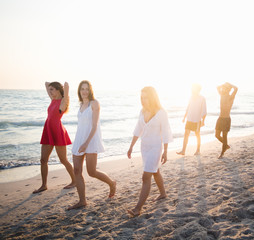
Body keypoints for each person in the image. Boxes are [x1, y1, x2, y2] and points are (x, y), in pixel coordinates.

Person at [67, 80, 116, 210]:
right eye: (82, 89)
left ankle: (111, 183)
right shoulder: (81, 104)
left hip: (91, 140)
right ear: (79, 91)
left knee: (91, 171)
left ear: (90, 90)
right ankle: (82, 201)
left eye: (87, 89)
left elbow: (94, 126)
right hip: (79, 139)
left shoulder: (94, 104)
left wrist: (86, 143)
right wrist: (80, 142)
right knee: (76, 170)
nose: (84, 91)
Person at [127, 86, 173, 217]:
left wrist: (165, 151)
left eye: (146, 97)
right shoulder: (142, 111)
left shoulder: (161, 112)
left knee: (146, 176)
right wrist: (131, 147)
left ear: (152, 97)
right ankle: (163, 194)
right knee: (155, 171)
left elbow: (165, 132)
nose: (144, 100)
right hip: (145, 147)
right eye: (142, 97)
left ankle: (137, 208)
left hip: (155, 147)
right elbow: (138, 130)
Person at [33, 82, 76, 194]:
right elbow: (46, 84)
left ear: (58, 90)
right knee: (43, 160)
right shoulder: (53, 99)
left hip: (57, 131)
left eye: (53, 90)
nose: (50, 91)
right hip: (48, 130)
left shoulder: (62, 102)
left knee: (63, 160)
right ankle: (43, 185)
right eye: (50, 90)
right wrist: (53, 87)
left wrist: (65, 90)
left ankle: (75, 180)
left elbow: (65, 98)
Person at [177, 84, 207, 155]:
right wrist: (184, 117)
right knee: (186, 134)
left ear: (198, 89)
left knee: (197, 134)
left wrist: (203, 121)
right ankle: (183, 151)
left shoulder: (202, 98)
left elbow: (204, 110)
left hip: (197, 120)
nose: (192, 90)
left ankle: (198, 150)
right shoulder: (191, 97)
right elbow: (188, 107)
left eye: (193, 89)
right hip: (189, 119)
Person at [215, 82, 238, 159]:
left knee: (224, 136)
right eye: (224, 88)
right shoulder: (222, 95)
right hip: (220, 118)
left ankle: (222, 153)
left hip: (226, 119)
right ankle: (226, 145)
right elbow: (217, 87)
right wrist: (224, 84)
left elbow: (236, 88)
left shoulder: (231, 97)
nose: (223, 89)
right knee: (217, 135)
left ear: (228, 89)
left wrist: (230, 84)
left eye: (225, 88)